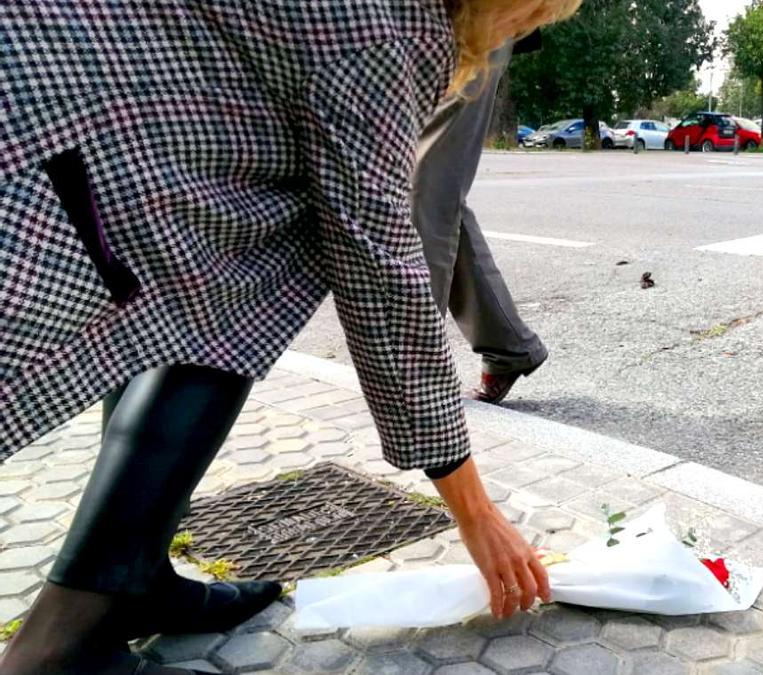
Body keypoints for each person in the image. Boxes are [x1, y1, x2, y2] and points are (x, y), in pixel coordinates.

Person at [0, 1, 579, 673]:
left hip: (62, 78)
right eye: (535, 7)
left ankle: (133, 572)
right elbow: (381, 267)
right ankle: (63, 641)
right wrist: (475, 510)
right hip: (45, 124)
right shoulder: (388, 28)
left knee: (199, 283)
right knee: (240, 280)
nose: (529, 27)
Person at [413, 34, 549, 404]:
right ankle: (509, 346)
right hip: (416, 23)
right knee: (430, 189)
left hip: (477, 18)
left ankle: (418, 370)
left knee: (429, 186)